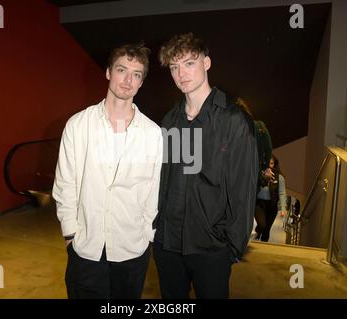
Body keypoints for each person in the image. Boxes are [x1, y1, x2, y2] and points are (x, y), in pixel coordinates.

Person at [52, 43, 163, 299]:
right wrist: (71, 234)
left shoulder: (154, 134)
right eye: (122, 70)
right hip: (86, 249)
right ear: (108, 72)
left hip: (132, 251)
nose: (127, 80)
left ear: (141, 82)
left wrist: (147, 236)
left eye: (136, 74)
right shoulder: (78, 126)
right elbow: (65, 184)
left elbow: (154, 192)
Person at [153, 33, 258, 299]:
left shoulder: (233, 121)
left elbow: (243, 188)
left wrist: (233, 247)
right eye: (174, 67)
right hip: (168, 246)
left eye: (189, 63)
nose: (181, 73)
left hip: (211, 249)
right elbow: (165, 180)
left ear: (206, 63)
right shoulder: (170, 120)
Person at [254, 154, 287, 242]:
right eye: (267, 163)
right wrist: (264, 178)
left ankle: (263, 248)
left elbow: (282, 193)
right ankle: (257, 232)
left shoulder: (279, 178)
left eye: (271, 163)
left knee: (266, 230)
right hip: (259, 204)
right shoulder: (258, 175)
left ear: (275, 164)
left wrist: (283, 208)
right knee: (262, 225)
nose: (269, 166)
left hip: (272, 206)